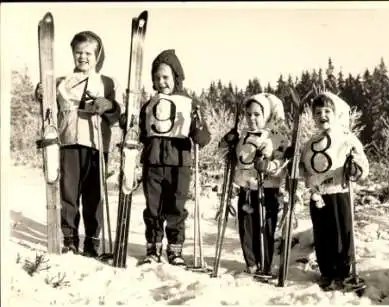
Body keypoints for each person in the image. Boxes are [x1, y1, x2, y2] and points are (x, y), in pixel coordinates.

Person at [35, 31, 124, 257]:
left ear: (97, 55)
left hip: (95, 145)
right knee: (69, 194)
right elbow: (44, 102)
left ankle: (92, 241)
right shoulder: (61, 82)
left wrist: (109, 105)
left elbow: (119, 115)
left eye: (88, 53)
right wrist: (40, 91)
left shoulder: (107, 82)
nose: (83, 57)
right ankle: (70, 239)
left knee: (94, 195)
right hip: (68, 144)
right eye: (78, 52)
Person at [136, 49, 211, 265]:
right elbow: (141, 132)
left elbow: (203, 139)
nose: (161, 82)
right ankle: (153, 247)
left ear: (176, 77)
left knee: (176, 207)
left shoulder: (188, 103)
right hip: (153, 162)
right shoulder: (149, 105)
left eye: (166, 77)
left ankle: (175, 249)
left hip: (179, 161)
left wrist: (198, 126)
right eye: (157, 77)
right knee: (153, 207)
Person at [296, 91, 369, 290]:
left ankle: (344, 272)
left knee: (341, 234)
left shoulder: (346, 138)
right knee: (323, 235)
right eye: (318, 112)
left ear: (335, 114)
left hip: (339, 192)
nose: (322, 116)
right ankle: (327, 272)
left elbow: (362, 163)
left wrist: (356, 168)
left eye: (327, 111)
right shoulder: (310, 143)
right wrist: (299, 168)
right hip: (318, 195)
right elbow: (302, 166)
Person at [220, 93, 288, 276]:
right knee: (246, 228)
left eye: (257, 114)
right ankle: (251, 263)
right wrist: (227, 142)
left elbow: (282, 163)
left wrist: (268, 166)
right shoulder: (242, 137)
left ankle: (265, 263)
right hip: (247, 190)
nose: (252, 118)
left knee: (265, 228)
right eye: (248, 114)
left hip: (267, 190)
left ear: (265, 115)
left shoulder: (276, 138)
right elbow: (225, 155)